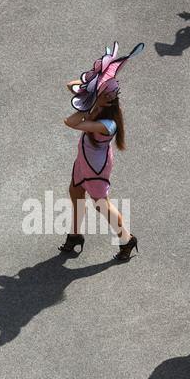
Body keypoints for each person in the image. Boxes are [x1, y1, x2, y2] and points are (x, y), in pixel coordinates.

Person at [58, 42, 144, 260]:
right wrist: (93, 82)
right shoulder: (103, 106)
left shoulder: (108, 123)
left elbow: (71, 121)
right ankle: (74, 236)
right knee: (76, 195)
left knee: (101, 206)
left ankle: (127, 239)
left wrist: (93, 100)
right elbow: (72, 85)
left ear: (105, 97)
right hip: (83, 162)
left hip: (96, 169)